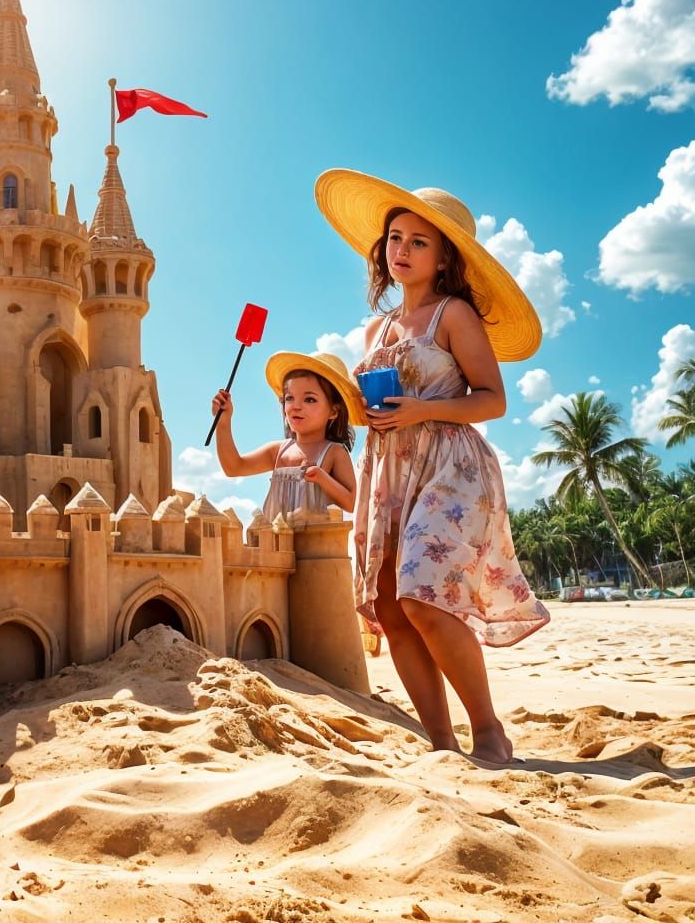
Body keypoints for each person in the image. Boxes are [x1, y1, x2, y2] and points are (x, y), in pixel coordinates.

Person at [315, 169, 549, 764]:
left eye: (419, 241)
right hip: (391, 466)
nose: (402, 250)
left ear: (445, 258)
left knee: (422, 596)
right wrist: (373, 414)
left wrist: (422, 409)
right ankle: (441, 744)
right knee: (391, 607)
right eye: (395, 238)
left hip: (451, 463)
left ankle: (488, 728)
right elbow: (381, 413)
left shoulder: (454, 315)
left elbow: (492, 399)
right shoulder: (378, 328)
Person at [210, 350, 362, 519]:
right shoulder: (278, 450)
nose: (295, 406)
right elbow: (233, 467)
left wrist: (322, 478)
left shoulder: (334, 452)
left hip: (315, 542)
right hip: (276, 541)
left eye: (309, 399)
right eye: (289, 398)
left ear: (334, 411)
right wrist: (223, 423)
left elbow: (350, 502)